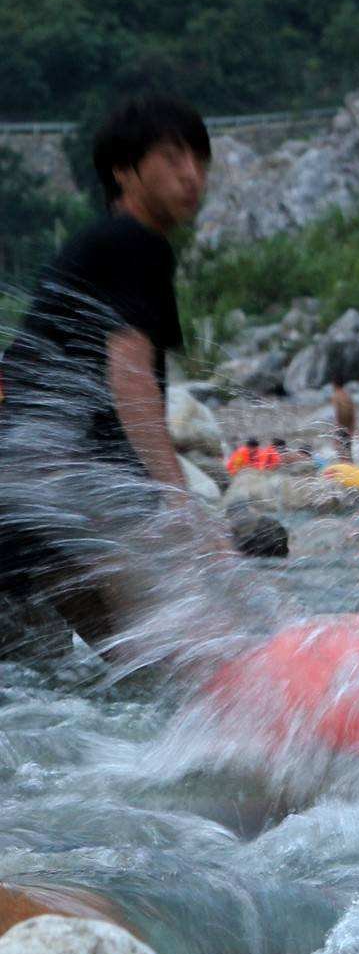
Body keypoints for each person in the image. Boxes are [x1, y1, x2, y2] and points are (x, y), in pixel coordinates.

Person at [0, 95, 213, 637]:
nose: (191, 175)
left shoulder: (104, 246)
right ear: (124, 172)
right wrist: (180, 501)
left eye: (200, 159)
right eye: (171, 158)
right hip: (54, 494)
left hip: (28, 493)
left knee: (64, 691)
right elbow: (131, 373)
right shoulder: (133, 242)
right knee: (166, 658)